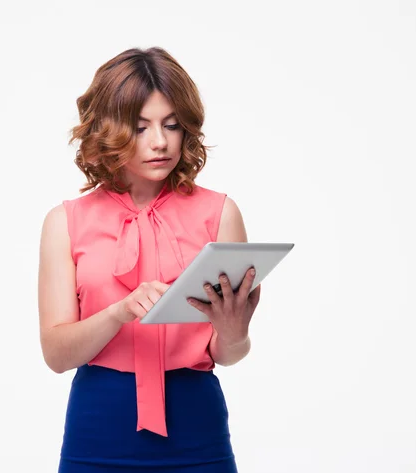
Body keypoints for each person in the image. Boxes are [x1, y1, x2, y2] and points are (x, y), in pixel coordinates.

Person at [38, 46, 261, 473]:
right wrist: (117, 313)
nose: (160, 141)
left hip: (197, 426)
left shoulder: (221, 214)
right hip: (98, 428)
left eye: (171, 125)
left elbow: (229, 353)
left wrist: (234, 332)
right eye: (140, 127)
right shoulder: (65, 222)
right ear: (107, 130)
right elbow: (56, 355)